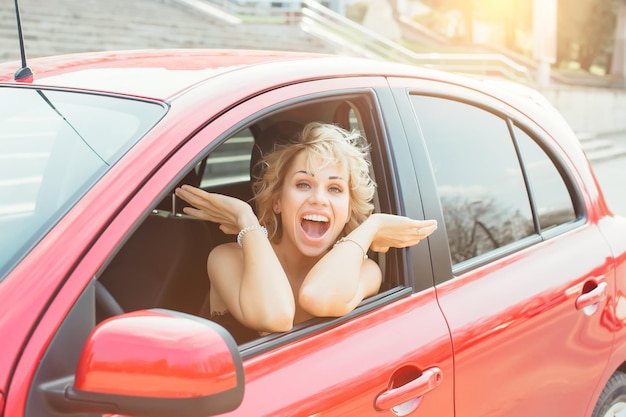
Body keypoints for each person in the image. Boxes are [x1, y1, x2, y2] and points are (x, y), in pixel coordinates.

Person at [175, 122, 437, 342]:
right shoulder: (227, 258)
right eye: (303, 184)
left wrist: (372, 226)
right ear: (277, 201)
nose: (319, 199)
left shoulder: (364, 271)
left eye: (335, 189)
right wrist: (247, 219)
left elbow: (316, 297)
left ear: (348, 210)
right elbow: (274, 318)